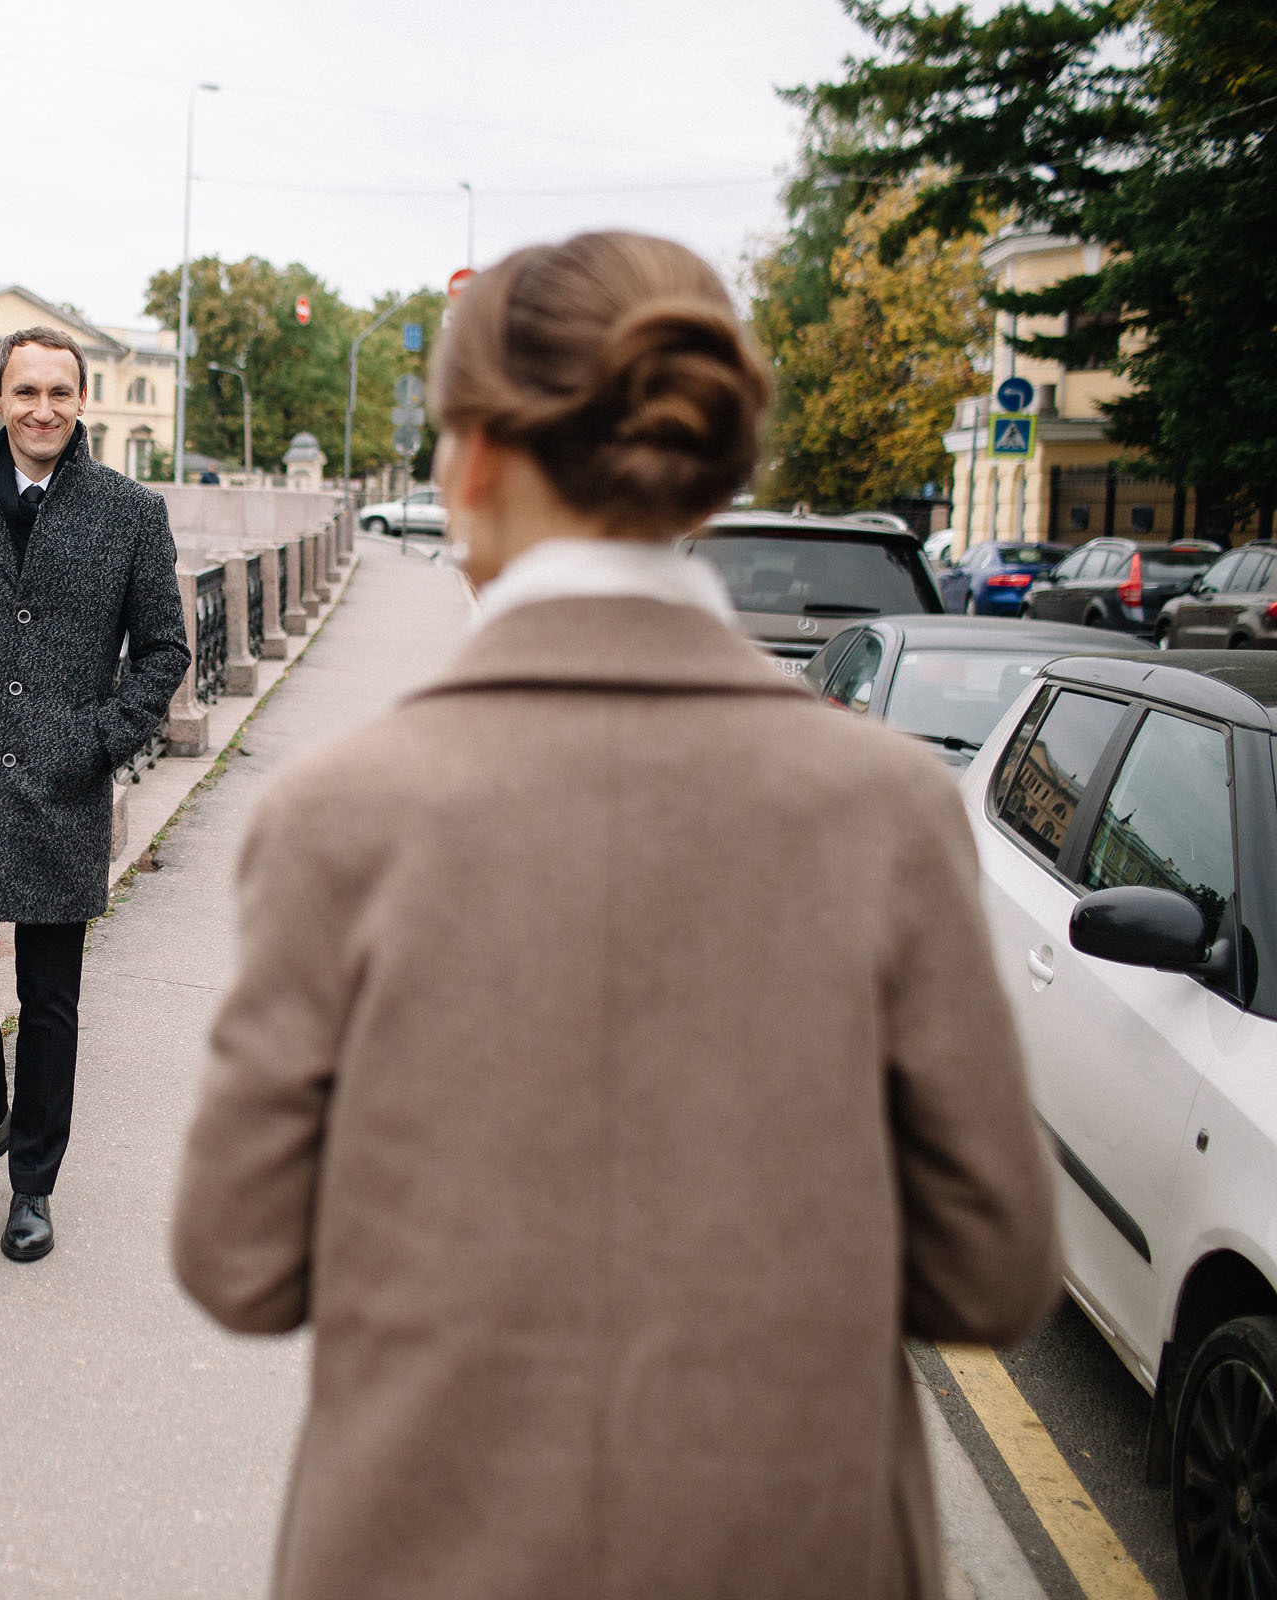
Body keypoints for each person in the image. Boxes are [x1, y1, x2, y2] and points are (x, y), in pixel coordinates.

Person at [170, 232, 1058, 1598]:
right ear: (706, 463)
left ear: (464, 468)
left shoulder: (341, 815)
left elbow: (237, 1259)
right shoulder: (884, 807)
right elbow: (994, 1271)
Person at [0, 326, 189, 1262]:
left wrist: (96, 743)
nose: (43, 409)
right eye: (26, 392)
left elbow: (165, 652)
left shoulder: (130, 513)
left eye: (60, 392)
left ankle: (34, 1184)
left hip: (62, 794)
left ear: (82, 402)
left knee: (52, 1000)